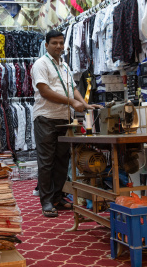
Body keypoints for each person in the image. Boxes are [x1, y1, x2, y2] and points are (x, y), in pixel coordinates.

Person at [31, 30, 101, 217]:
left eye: (61, 43)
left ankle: (57, 197)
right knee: (46, 162)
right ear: (46, 45)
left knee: (62, 160)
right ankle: (46, 201)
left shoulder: (65, 66)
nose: (59, 46)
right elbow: (44, 91)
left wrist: (84, 104)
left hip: (64, 120)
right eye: (54, 43)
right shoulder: (41, 64)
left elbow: (73, 89)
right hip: (45, 118)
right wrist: (72, 103)